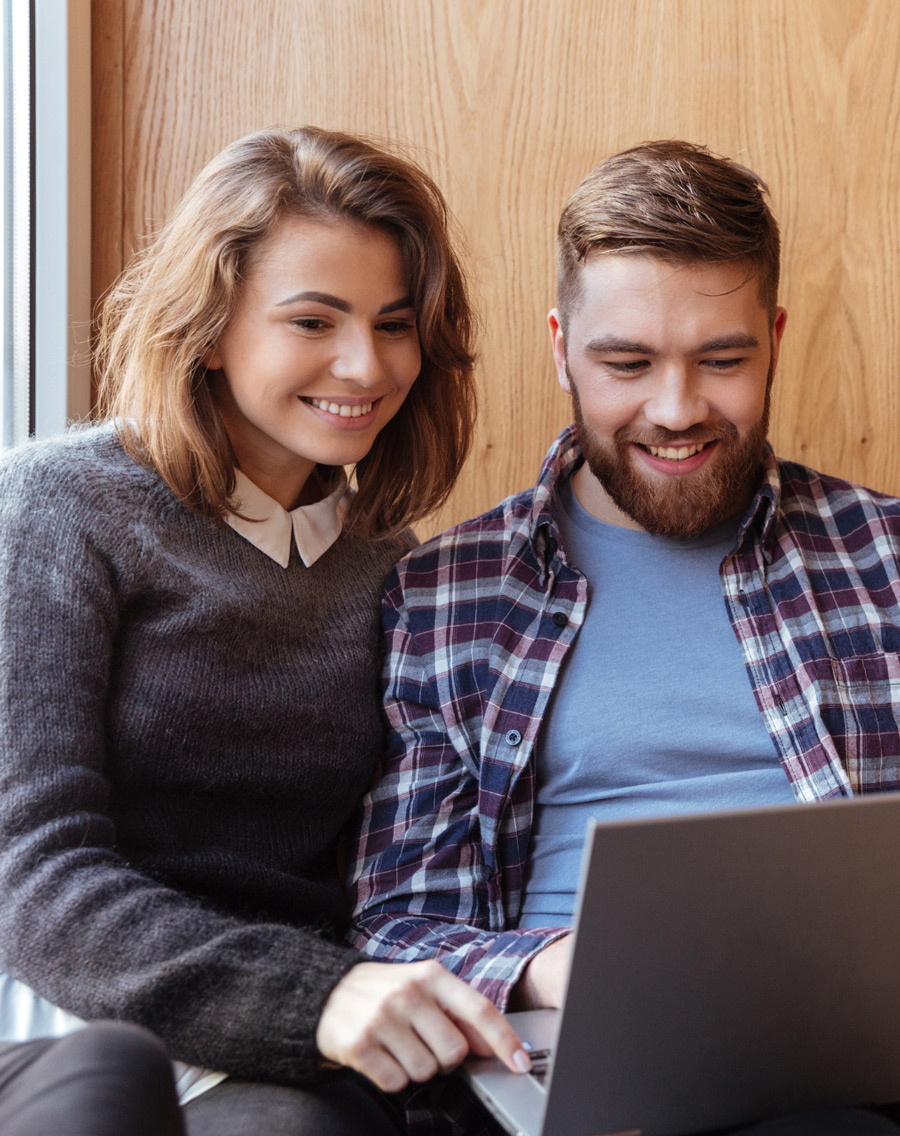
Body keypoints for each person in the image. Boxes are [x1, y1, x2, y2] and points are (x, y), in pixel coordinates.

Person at [348, 141, 900, 1135]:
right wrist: (566, 968)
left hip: (854, 1064)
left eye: (724, 359)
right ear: (561, 346)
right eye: (627, 362)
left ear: (775, 338)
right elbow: (395, 921)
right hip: (574, 1061)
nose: (678, 408)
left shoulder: (884, 554)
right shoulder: (446, 595)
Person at [0, 125, 530, 1136]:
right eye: (312, 320)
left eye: (393, 322)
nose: (364, 363)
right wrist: (312, 995)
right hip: (88, 1021)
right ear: (209, 325)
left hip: (308, 1037)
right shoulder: (60, 508)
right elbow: (32, 874)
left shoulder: (388, 559)